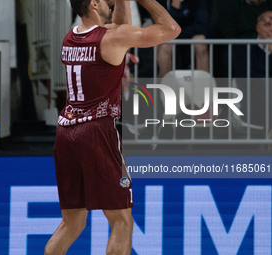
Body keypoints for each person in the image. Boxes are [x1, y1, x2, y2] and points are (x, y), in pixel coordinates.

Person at [44, 0, 180, 254]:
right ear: (94, 4)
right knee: (121, 220)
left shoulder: (70, 38)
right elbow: (172, 29)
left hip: (66, 131)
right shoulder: (112, 38)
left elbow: (121, 28)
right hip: (96, 131)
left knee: (72, 221)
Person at [233, 11, 272, 129]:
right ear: (257, 27)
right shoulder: (244, 50)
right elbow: (247, 79)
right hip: (254, 103)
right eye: (267, 25)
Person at [157, 0, 210, 77]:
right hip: (171, 37)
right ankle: (163, 85)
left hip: (190, 36)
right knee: (166, 45)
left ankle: (203, 86)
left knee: (200, 42)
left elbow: (201, 26)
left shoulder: (198, 2)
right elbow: (162, 25)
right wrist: (175, 7)